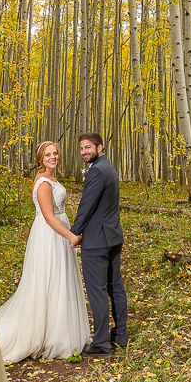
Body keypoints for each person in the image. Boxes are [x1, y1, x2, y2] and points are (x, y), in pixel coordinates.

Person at [0, 141, 91, 363]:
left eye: (55, 153)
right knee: (50, 280)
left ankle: (61, 330)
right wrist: (72, 237)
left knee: (60, 280)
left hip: (58, 231)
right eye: (48, 155)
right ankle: (49, 336)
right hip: (49, 236)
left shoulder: (53, 179)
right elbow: (48, 217)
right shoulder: (44, 182)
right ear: (40, 159)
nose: (53, 157)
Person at [70, 132, 128, 357]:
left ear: (100, 148)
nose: (84, 152)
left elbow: (86, 206)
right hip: (113, 237)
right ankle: (120, 335)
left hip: (96, 241)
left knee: (97, 291)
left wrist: (75, 233)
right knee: (115, 287)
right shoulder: (109, 168)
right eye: (82, 148)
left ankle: (101, 344)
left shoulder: (96, 172)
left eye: (88, 148)